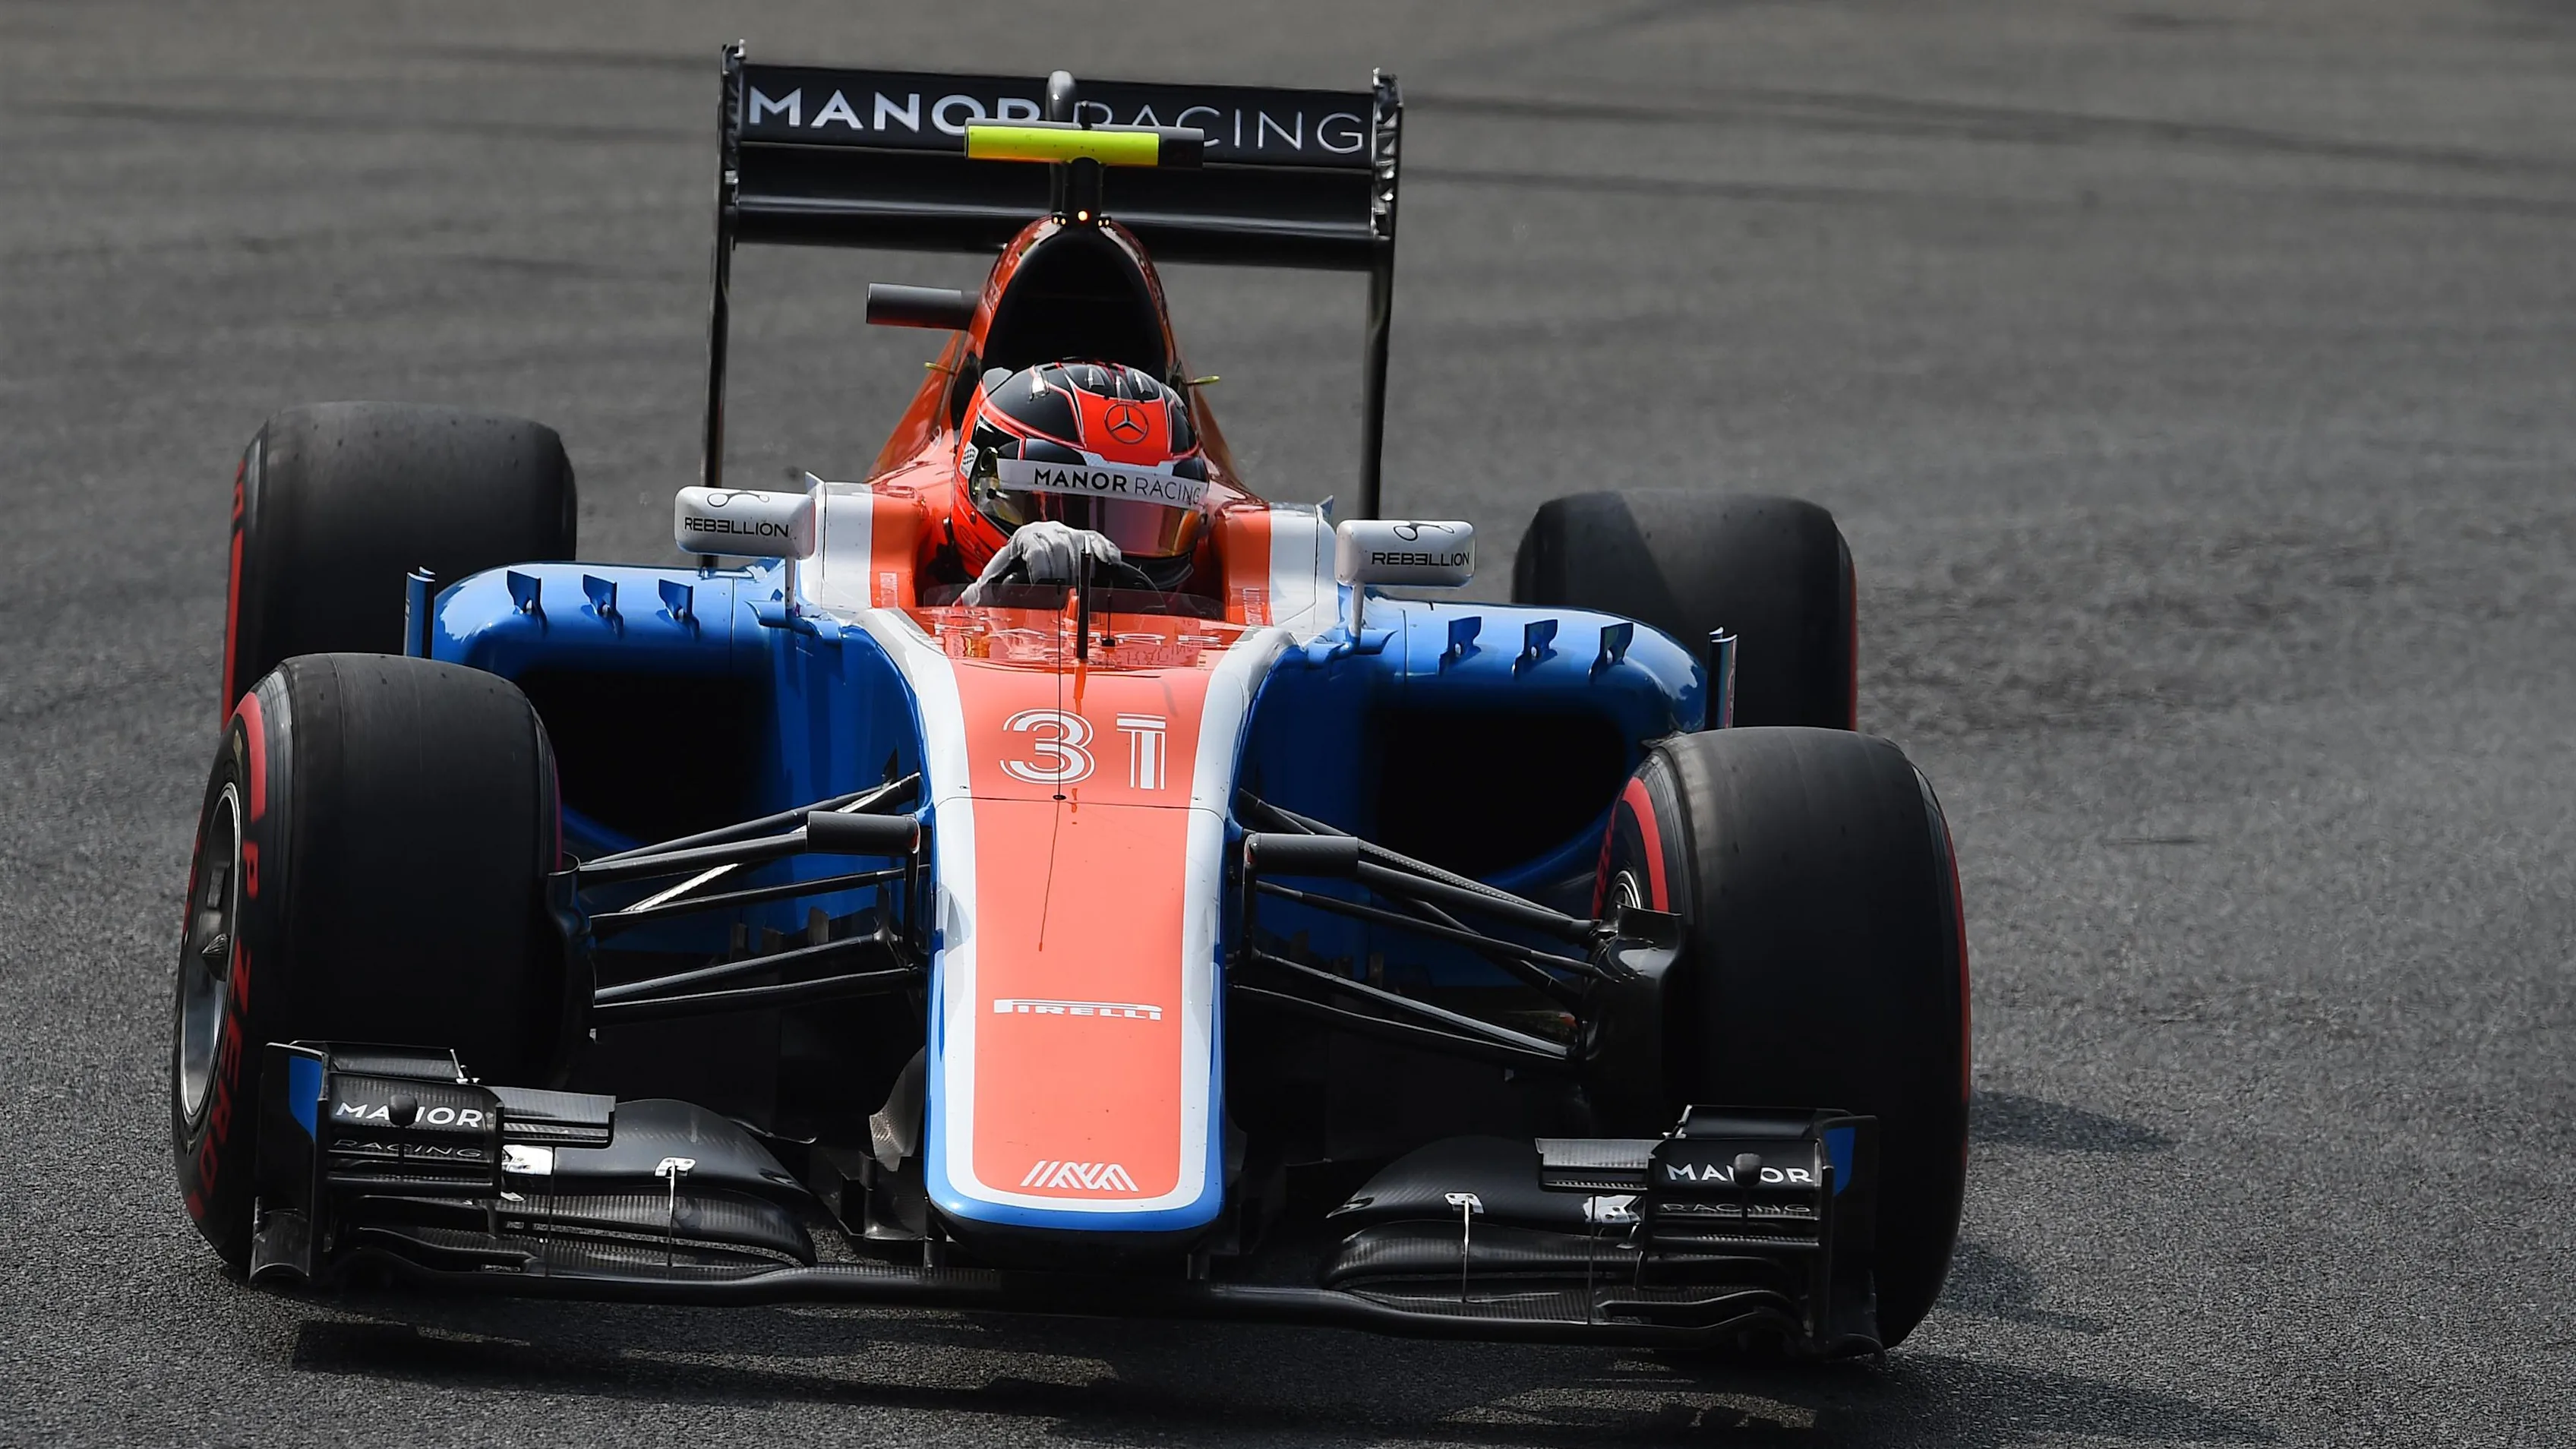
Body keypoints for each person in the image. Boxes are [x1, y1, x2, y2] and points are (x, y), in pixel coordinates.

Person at [949, 360, 1214, 605]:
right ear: (986, 487)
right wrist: (982, 597)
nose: (1103, 552)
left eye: (1141, 523)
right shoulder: (913, 528)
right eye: (1070, 513)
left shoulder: (1220, 545)